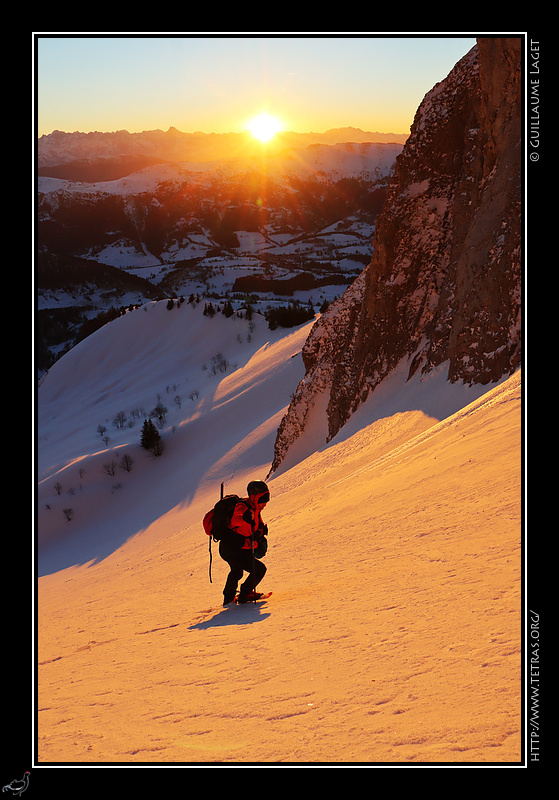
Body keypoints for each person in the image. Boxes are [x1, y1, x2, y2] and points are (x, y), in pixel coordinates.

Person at [219, 480, 270, 605]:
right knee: (259, 569)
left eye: (267, 497)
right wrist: (244, 517)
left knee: (236, 571)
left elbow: (256, 525)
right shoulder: (243, 507)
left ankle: (229, 598)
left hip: (237, 548)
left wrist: (261, 530)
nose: (265, 503)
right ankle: (244, 595)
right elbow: (236, 520)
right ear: (253, 497)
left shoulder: (255, 509)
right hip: (231, 549)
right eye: (262, 499)